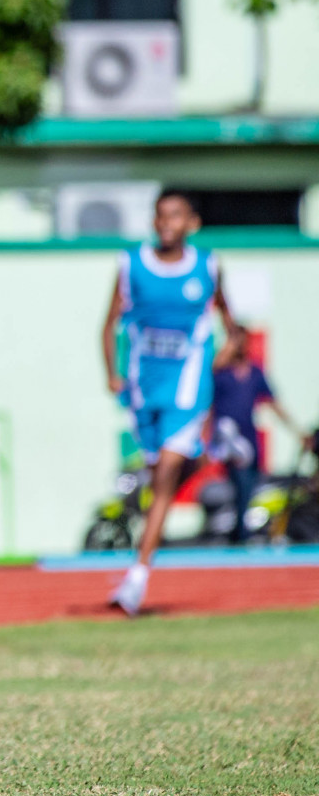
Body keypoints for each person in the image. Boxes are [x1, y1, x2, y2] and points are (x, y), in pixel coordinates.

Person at [100, 191, 233, 614]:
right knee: (161, 474)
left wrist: (213, 362)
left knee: (164, 480)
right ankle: (208, 452)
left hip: (188, 390)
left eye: (175, 216)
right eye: (160, 217)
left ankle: (136, 578)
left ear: (191, 222)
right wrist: (112, 372)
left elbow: (233, 326)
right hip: (143, 389)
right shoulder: (131, 265)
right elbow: (108, 325)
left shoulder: (208, 266)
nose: (166, 224)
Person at [210, 324, 301, 542]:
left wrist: (297, 431)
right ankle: (240, 535)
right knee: (239, 484)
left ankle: (242, 531)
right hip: (228, 440)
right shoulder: (221, 372)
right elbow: (207, 379)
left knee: (250, 486)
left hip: (249, 440)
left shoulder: (255, 372)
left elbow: (273, 403)